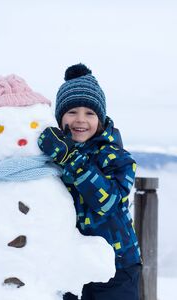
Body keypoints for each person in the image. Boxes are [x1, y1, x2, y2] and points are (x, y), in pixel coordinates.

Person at [38, 63, 142, 300]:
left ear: (101, 118)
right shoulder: (54, 153)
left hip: (117, 267)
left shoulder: (118, 158)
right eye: (72, 112)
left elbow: (106, 203)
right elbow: (12, 148)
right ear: (60, 116)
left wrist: (70, 158)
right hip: (69, 261)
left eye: (90, 113)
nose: (80, 120)